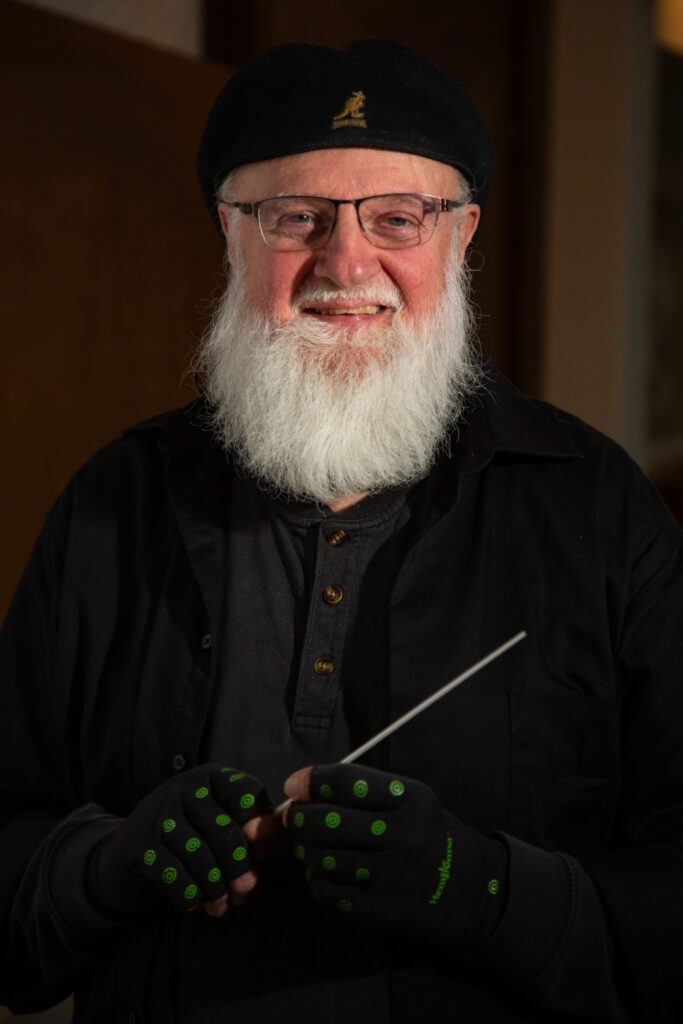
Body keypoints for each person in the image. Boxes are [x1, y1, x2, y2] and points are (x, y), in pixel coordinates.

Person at [1, 39, 681, 1024]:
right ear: (230, 236)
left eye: (397, 218)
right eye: (295, 217)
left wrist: (483, 887)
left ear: (462, 236)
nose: (344, 262)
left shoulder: (597, 511)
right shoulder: (113, 504)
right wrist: (104, 865)